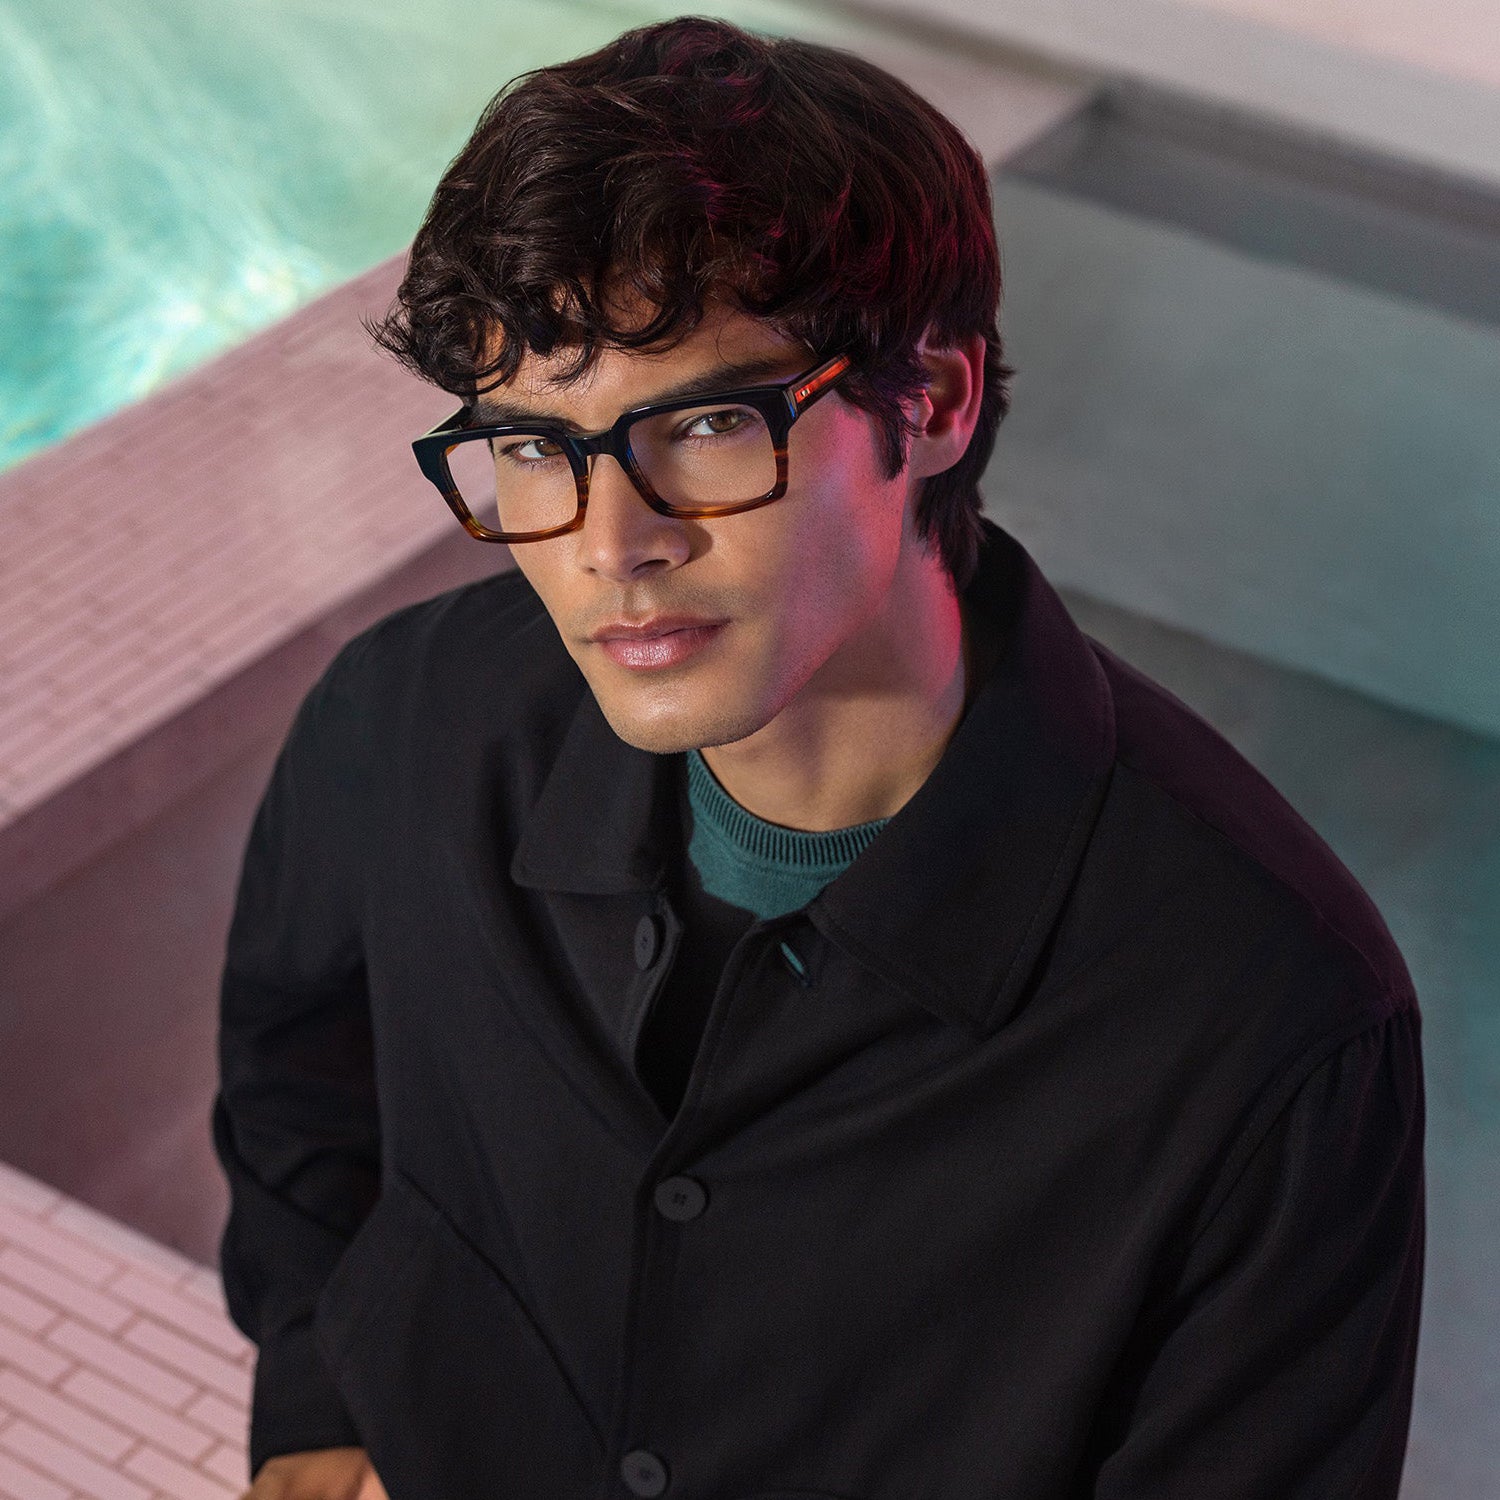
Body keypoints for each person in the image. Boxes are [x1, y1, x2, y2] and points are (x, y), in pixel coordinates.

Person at [213, 15, 1425, 1500]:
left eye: (706, 426)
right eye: (534, 447)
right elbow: (294, 1070)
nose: (610, 545)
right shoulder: (402, 716)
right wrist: (320, 1397)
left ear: (932, 403)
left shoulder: (1273, 1016)